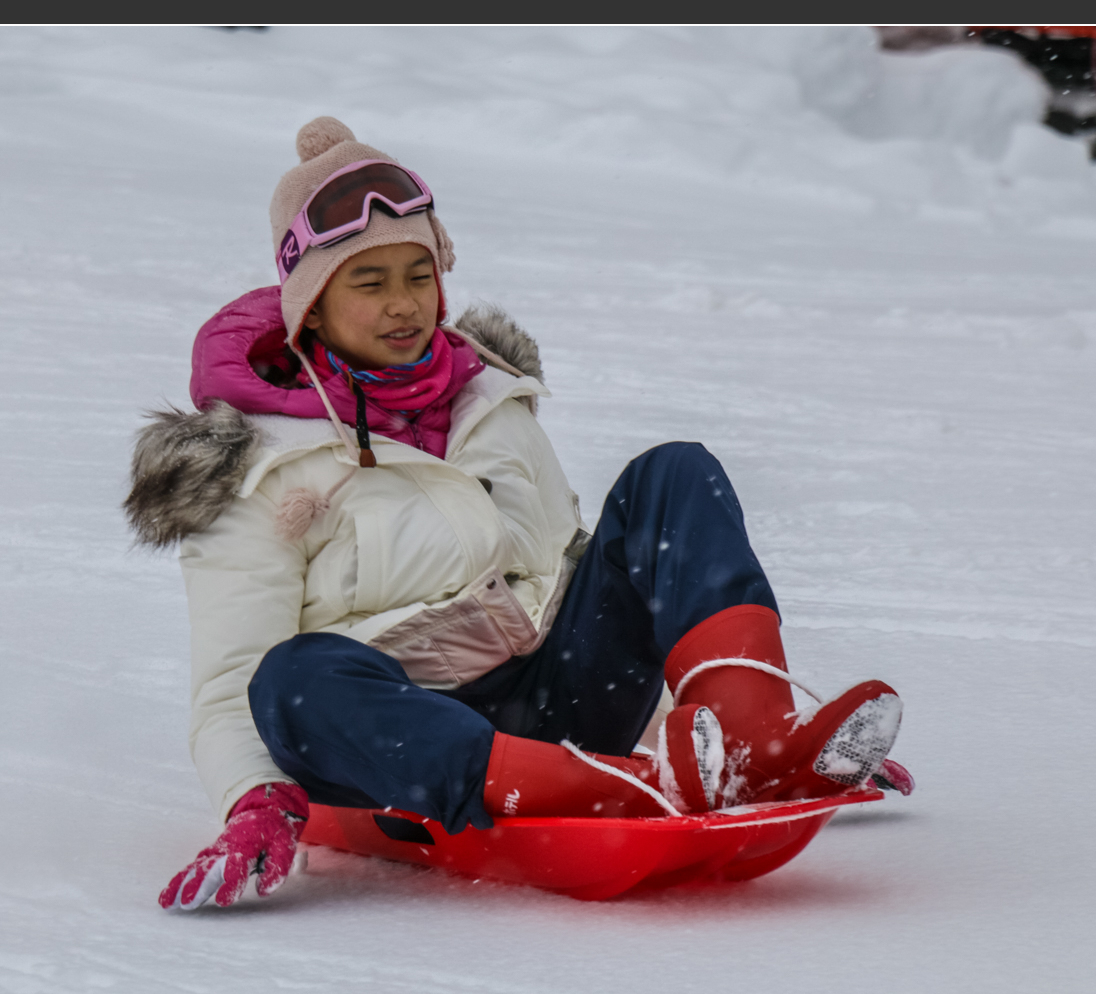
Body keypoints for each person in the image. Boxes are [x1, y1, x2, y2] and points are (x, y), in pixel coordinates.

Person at [125, 118, 912, 911]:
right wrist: (251, 798)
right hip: (402, 739)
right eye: (369, 283)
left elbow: (569, 574)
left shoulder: (490, 402)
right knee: (292, 678)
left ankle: (753, 744)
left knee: (673, 474)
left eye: (419, 275)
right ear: (312, 309)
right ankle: (598, 784)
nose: (404, 306)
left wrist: (702, 729)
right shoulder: (256, 464)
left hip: (557, 699)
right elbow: (231, 678)